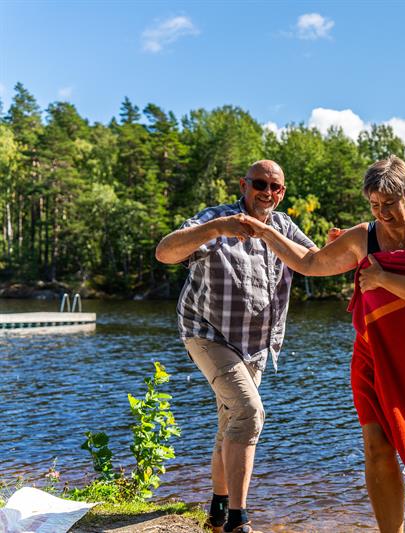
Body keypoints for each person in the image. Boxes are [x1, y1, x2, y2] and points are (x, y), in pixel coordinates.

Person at [241, 155, 405, 533]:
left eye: (389, 204)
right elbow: (311, 262)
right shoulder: (363, 236)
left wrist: (381, 277)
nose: (382, 213)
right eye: (374, 205)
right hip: (374, 352)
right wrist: (267, 233)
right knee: (376, 444)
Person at [155, 160, 317, 533]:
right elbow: (164, 252)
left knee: (231, 422)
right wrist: (216, 228)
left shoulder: (283, 227)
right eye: (261, 183)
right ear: (244, 185)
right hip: (207, 334)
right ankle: (237, 520)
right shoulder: (216, 220)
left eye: (277, 187)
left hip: (256, 345)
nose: (269, 193)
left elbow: (313, 261)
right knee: (248, 412)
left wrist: (346, 245)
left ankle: (217, 506)